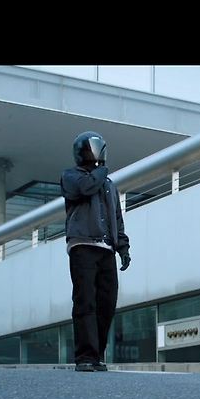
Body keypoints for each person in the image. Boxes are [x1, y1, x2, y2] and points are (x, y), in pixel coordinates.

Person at [61, 131, 130, 372]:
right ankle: (85, 357)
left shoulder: (109, 185)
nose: (95, 151)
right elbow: (86, 188)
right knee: (85, 301)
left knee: (106, 303)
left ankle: (97, 354)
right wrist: (102, 170)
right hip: (82, 246)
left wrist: (123, 247)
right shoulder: (71, 177)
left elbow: (116, 218)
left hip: (106, 249)